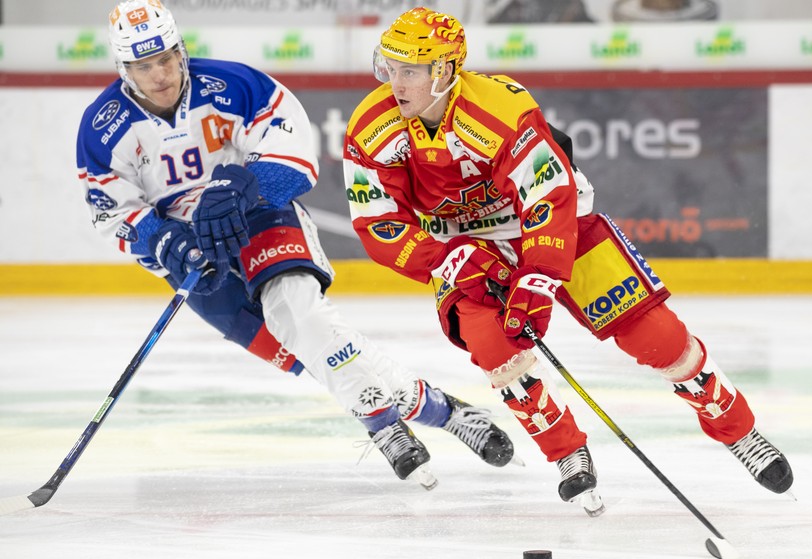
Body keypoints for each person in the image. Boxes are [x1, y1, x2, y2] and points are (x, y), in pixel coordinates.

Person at [343, 6, 794, 508]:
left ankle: (737, 429)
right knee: (496, 350)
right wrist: (448, 258)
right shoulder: (371, 127)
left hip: (556, 226)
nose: (394, 83)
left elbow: (548, 200)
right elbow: (378, 222)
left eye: (409, 71)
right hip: (464, 246)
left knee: (657, 337)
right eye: (389, 67)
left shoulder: (499, 109)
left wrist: (536, 281)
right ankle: (566, 453)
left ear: (445, 71)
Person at [75, 0, 517, 491]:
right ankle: (446, 411)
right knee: (306, 352)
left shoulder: (234, 85)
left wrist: (245, 185)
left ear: (180, 49)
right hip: (194, 251)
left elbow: (294, 157)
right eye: (142, 65)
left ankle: (382, 423)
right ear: (123, 68)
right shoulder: (102, 128)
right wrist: (163, 243)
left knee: (301, 317)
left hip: (259, 215)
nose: (159, 74)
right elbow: (111, 210)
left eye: (165, 58)